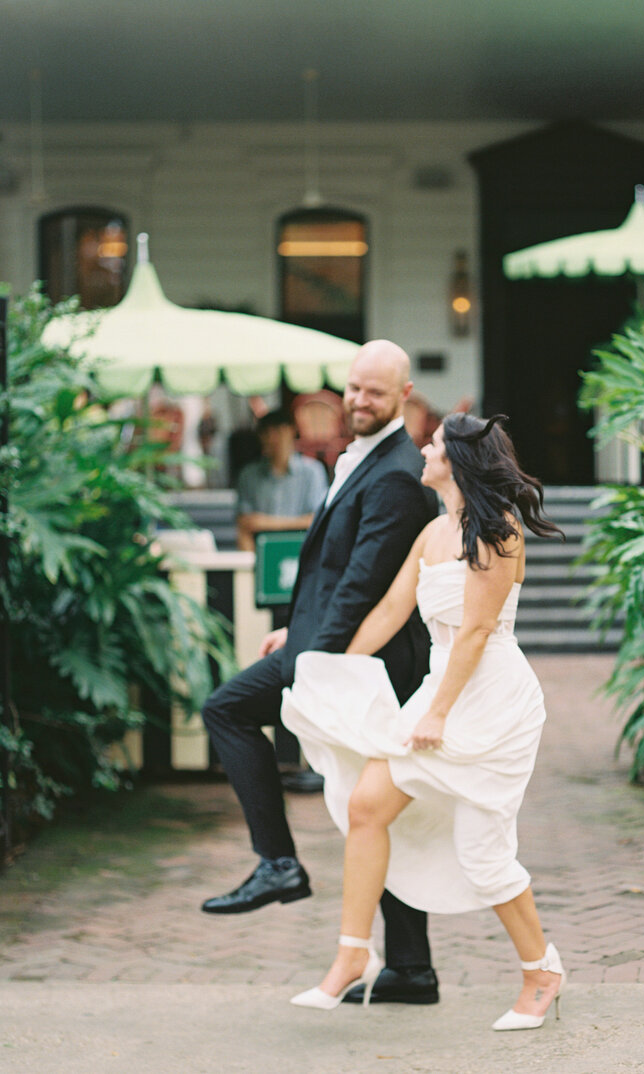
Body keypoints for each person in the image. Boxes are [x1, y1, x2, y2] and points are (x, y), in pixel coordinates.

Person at [282, 413, 567, 1031]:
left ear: (457, 460)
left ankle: (541, 971)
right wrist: (322, 663)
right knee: (367, 807)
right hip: (443, 689)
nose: (422, 450)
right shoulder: (434, 532)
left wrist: (436, 712)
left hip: (491, 700)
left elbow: (475, 632)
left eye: (432, 443)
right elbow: (388, 610)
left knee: (484, 856)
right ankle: (352, 955)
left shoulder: (499, 531)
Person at [201, 340, 442, 1006]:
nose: (360, 400)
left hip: (368, 662)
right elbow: (334, 569)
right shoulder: (359, 457)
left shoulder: (395, 471)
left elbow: (365, 584)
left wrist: (307, 658)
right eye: (353, 389)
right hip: (337, 644)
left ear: (404, 394)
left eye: (375, 391)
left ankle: (277, 863)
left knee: (226, 709)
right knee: (372, 812)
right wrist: (295, 627)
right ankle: (412, 970)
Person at [235, 408, 329, 552]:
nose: (272, 439)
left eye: (278, 431)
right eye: (266, 433)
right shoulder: (248, 475)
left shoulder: (313, 471)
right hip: (262, 553)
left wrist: (266, 523)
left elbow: (317, 520)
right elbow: (245, 524)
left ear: (292, 430)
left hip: (303, 552)